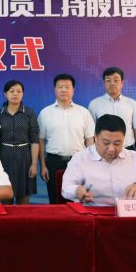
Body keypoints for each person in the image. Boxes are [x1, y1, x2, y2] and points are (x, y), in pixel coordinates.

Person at [61, 115, 136, 205]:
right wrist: (77, 190)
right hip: (92, 212)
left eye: (117, 143)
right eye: (106, 143)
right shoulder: (80, 158)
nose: (111, 149)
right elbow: (66, 188)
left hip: (127, 213)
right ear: (95, 138)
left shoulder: (134, 158)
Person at [38, 73, 95, 204]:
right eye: (60, 87)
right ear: (55, 89)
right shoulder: (45, 113)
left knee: (78, 200)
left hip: (78, 161)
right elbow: (40, 140)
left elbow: (90, 140)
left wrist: (90, 162)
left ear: (73, 90)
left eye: (67, 87)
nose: (63, 90)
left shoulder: (83, 112)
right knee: (55, 200)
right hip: (53, 162)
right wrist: (43, 165)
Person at [0, 80, 40, 204]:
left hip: (24, 157)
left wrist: (34, 164)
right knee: (5, 197)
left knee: (24, 198)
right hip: (4, 156)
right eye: (12, 91)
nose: (15, 94)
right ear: (5, 94)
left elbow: (35, 139)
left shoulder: (29, 113)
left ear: (23, 94)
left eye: (19, 91)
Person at [87, 66, 136, 151]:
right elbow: (91, 132)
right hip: (103, 151)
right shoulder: (94, 104)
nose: (112, 83)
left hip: (127, 150)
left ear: (122, 83)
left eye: (116, 80)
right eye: (108, 80)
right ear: (104, 83)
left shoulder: (132, 104)